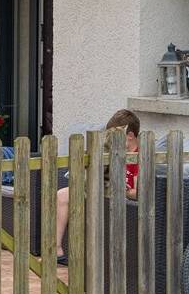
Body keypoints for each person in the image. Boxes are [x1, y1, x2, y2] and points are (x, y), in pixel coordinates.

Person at [53, 109, 140, 264]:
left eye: (115, 136)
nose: (111, 141)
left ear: (130, 136)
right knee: (62, 195)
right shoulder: (115, 151)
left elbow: (138, 192)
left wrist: (123, 190)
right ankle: (56, 249)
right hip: (102, 191)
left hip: (123, 200)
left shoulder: (139, 155)